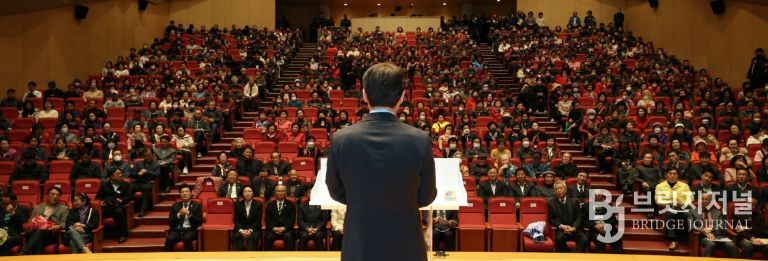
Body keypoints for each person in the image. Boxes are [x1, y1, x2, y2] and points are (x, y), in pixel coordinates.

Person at [326, 63, 437, 261]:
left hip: (360, 243)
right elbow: (426, 196)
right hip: (406, 245)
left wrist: (364, 202)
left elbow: (336, 190)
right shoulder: (419, 139)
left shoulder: (341, 138)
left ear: (364, 95)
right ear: (402, 96)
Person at [688, 192, 738, 257]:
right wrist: (703, 230)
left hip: (719, 237)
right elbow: (691, 225)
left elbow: (722, 226)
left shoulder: (718, 212)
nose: (704, 201)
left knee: (731, 245)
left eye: (707, 199)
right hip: (703, 237)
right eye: (702, 199)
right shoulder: (692, 211)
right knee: (711, 244)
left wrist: (711, 230)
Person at [21, 187, 69, 254]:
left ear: (59, 197)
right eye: (52, 194)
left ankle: (24, 252)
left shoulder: (64, 209)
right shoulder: (38, 207)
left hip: (51, 234)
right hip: (36, 234)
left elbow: (65, 223)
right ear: (48, 195)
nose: (55, 197)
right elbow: (31, 221)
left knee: (41, 231)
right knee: (39, 241)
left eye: (57, 195)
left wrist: (59, 227)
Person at [655, 169, 692, 251]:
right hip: (669, 208)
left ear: (678, 176)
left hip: (682, 208)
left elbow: (690, 198)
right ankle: (673, 240)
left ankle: (692, 238)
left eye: (675, 174)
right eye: (670, 174)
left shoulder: (684, 186)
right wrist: (671, 203)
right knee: (669, 212)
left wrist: (682, 203)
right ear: (666, 175)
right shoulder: (660, 186)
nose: (672, 176)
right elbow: (658, 200)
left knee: (690, 214)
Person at [548, 180, 587, 252]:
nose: (559, 190)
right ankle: (568, 256)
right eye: (557, 189)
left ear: (565, 189)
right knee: (559, 239)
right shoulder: (551, 203)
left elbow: (579, 217)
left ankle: (572, 257)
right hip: (562, 230)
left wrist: (574, 227)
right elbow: (551, 219)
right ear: (554, 191)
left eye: (561, 188)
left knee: (584, 239)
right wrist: (562, 226)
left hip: (574, 229)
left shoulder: (574, 201)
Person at [97, 168, 132, 243]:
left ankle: (123, 235)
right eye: (118, 173)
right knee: (97, 212)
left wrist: (122, 200)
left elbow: (129, 196)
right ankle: (97, 235)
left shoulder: (126, 185)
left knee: (119, 212)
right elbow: (98, 197)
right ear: (111, 176)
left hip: (119, 206)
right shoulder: (104, 185)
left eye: (121, 173)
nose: (120, 175)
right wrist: (101, 201)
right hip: (107, 206)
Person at [165, 184, 203, 251]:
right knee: (169, 239)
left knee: (187, 238)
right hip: (178, 231)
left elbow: (199, 222)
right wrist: (179, 215)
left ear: (191, 193)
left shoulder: (196, 205)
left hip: (190, 230)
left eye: (187, 191)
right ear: (179, 194)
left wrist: (189, 214)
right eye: (182, 192)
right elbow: (170, 222)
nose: (185, 193)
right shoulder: (175, 206)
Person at [265, 185, 296, 251]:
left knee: (289, 237)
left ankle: (288, 258)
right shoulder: (270, 204)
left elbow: (291, 219)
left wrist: (284, 228)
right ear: (275, 193)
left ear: (286, 193)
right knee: (268, 237)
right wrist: (273, 228)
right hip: (273, 229)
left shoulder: (291, 204)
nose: (280, 193)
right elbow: (268, 219)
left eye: (282, 191)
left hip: (286, 229)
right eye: (278, 191)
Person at [232, 186, 262, 251]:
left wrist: (250, 230)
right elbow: (236, 220)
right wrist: (241, 230)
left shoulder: (258, 204)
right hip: (241, 229)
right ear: (242, 194)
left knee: (252, 237)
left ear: (253, 193)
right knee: (237, 237)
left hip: (253, 230)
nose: (247, 193)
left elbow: (257, 220)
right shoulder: (238, 204)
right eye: (245, 192)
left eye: (249, 191)